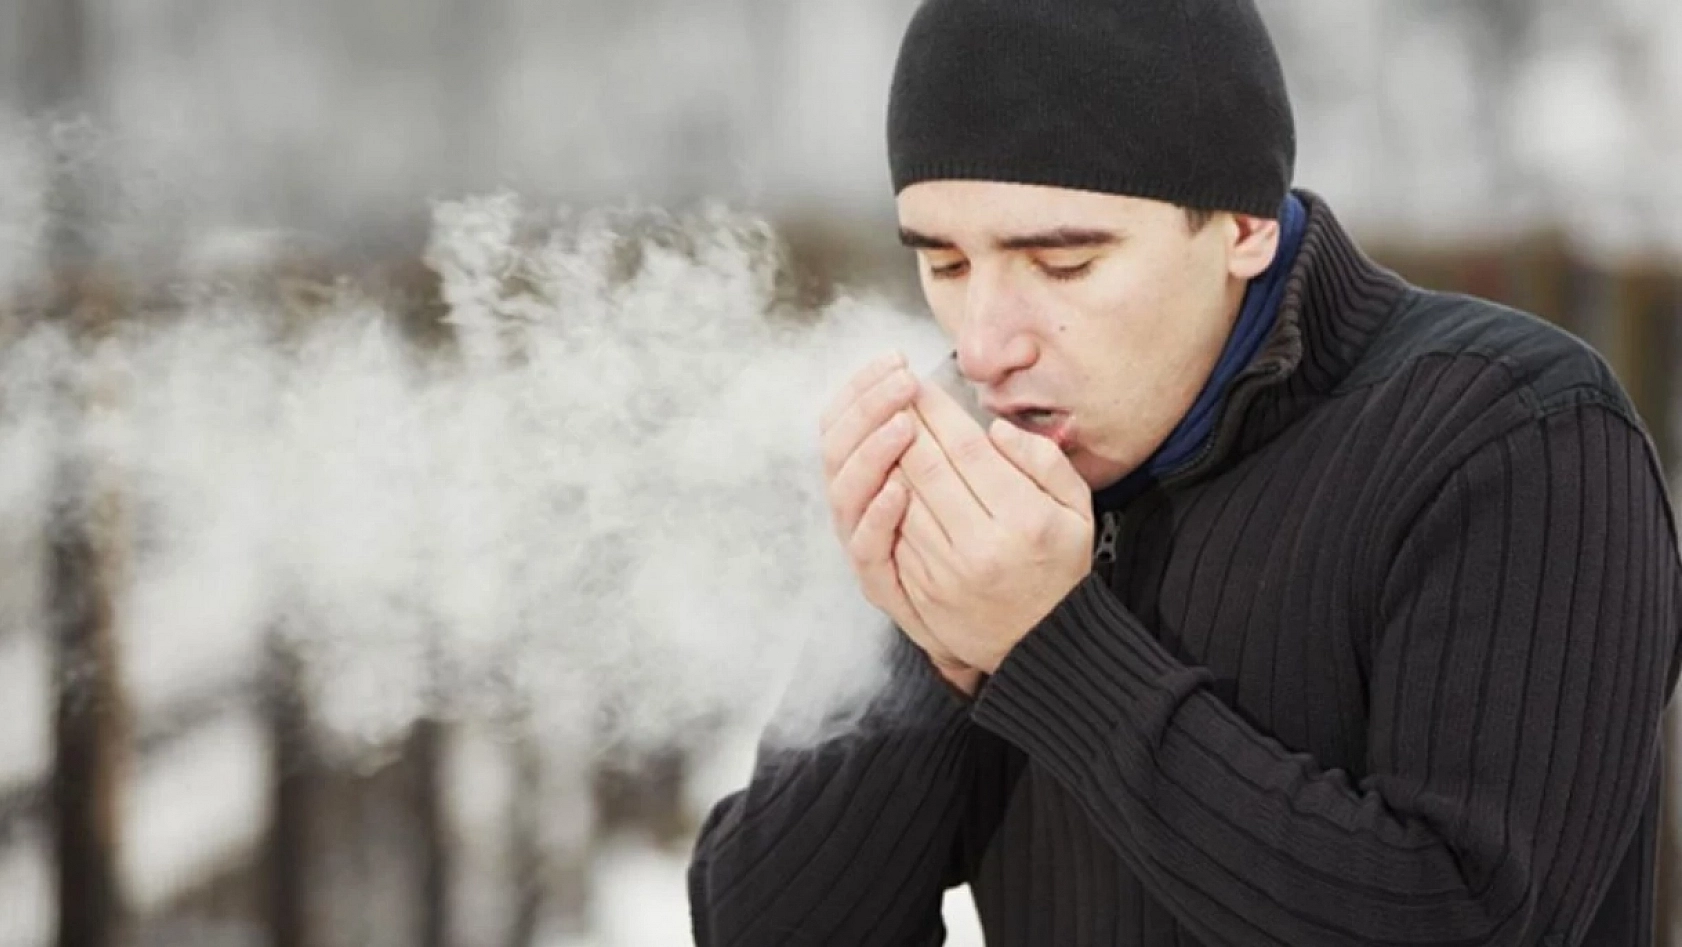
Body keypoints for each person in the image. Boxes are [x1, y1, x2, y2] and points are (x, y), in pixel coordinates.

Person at [687, 0, 1682, 943]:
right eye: (945, 264)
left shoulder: (1512, 434)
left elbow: (1461, 919)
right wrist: (929, 647)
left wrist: (1047, 643)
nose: (985, 342)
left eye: (1062, 263)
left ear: (1243, 225)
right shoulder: (980, 465)